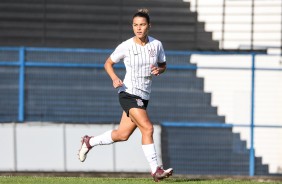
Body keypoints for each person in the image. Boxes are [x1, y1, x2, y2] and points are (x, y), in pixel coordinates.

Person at [78, 8, 173, 182]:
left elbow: (163, 65)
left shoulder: (156, 45)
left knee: (122, 135)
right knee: (148, 128)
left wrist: (159, 70)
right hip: (128, 93)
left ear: (149, 26)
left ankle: (89, 142)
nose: (139, 28)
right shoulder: (126, 46)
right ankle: (156, 170)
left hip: (143, 97)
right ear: (132, 27)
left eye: (142, 25)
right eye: (136, 25)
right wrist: (115, 78)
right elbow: (108, 63)